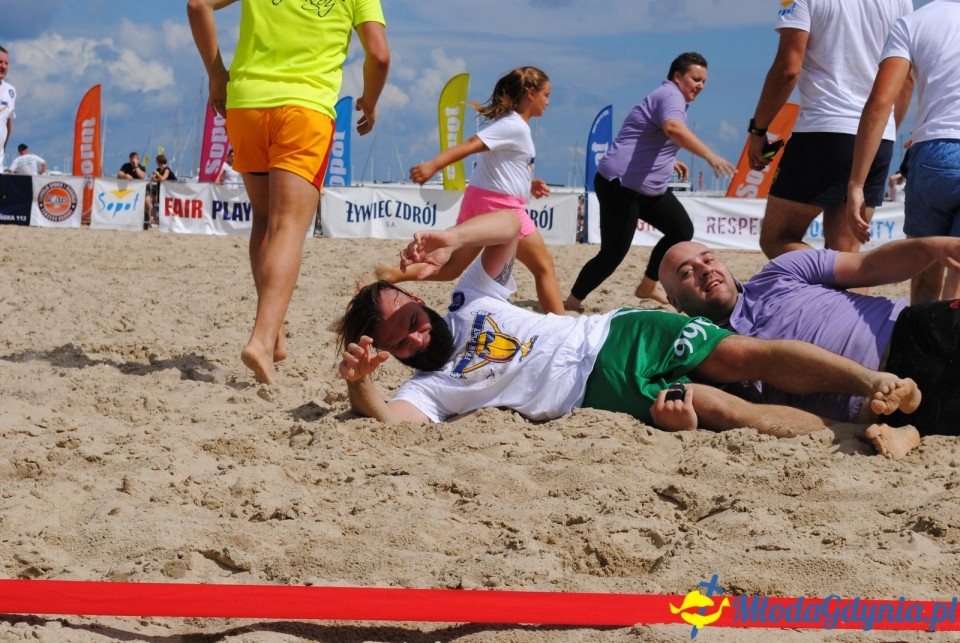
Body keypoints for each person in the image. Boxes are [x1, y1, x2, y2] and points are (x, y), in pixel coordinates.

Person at [336, 209, 921, 457]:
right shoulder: (428, 388)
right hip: (596, 392)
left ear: (419, 301)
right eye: (399, 344)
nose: (415, 340)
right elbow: (388, 422)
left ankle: (875, 381)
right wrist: (359, 385)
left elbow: (513, 222)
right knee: (721, 409)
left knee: (745, 356)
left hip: (617, 333)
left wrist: (451, 237)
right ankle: (860, 433)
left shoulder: (470, 299)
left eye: (412, 323)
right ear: (388, 354)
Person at [187, 0, 390, 385]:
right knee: (289, 228)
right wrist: (370, 100)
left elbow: (198, 6)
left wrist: (217, 76)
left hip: (246, 104)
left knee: (265, 220)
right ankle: (262, 340)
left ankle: (274, 330)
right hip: (305, 109)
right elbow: (379, 56)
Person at [658, 238, 960, 457]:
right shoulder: (705, 357)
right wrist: (688, 424)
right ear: (674, 302)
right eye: (687, 272)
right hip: (883, 407)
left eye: (709, 259)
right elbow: (738, 413)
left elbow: (868, 265)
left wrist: (931, 247)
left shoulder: (780, 271)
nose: (705, 270)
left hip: (910, 328)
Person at [358, 66, 564, 315]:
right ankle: (561, 325)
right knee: (544, 268)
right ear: (531, 93)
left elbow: (501, 165)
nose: (548, 102)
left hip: (482, 199)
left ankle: (391, 273)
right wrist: (433, 165)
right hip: (501, 207)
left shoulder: (511, 125)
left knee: (451, 268)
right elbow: (471, 145)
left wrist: (529, 183)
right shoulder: (513, 125)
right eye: (546, 95)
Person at [564, 52, 734, 312]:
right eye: (696, 79)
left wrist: (670, 160)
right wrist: (710, 156)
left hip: (646, 187)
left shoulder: (671, 98)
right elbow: (672, 129)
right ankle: (572, 302)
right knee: (612, 254)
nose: (700, 85)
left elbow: (645, 134)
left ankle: (647, 285)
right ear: (677, 77)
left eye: (703, 81)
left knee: (681, 230)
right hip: (620, 185)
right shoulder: (670, 95)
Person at [748, 0, 912, 261]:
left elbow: (787, 70)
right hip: (879, 135)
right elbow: (906, 79)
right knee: (845, 253)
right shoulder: (902, 2)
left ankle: (825, 280)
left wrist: (758, 130)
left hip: (824, 129)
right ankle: (838, 281)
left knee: (776, 238)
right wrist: (882, 130)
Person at [847, 0, 960, 305]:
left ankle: (924, 336)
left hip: (936, 151)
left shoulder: (914, 22)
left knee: (925, 269)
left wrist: (857, 183)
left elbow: (880, 102)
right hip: (936, 144)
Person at [148, 153, 177, 224]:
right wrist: (155, 175)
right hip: (161, 190)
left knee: (168, 206)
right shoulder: (158, 169)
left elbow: (163, 179)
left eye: (156, 161)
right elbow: (153, 178)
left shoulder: (167, 170)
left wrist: (157, 174)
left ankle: (172, 219)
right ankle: (155, 217)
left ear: (158, 162)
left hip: (170, 191)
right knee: (151, 200)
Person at [0, 45, 16, 174]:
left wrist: (3, 149)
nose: (4, 66)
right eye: (0, 62)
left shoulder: (10, 91)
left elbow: (8, 123)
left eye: (6, 63)